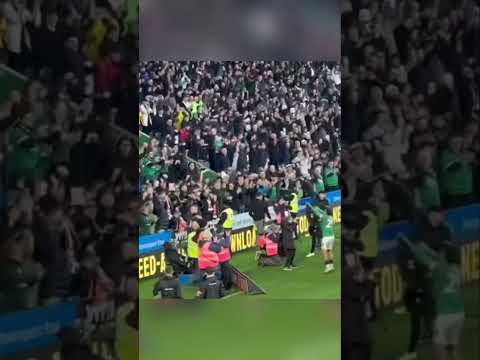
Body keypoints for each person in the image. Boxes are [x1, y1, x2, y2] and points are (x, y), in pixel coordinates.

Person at [399, 236, 465, 360]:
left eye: (441, 251)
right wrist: (424, 246)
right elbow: (434, 256)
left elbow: (422, 258)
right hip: (459, 314)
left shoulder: (438, 268)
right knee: (455, 348)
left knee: (441, 350)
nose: (438, 253)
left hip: (445, 315)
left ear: (444, 255)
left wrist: (412, 246)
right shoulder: (456, 268)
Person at [308, 204, 336, 272]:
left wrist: (312, 207)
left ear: (325, 211)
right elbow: (322, 213)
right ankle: (332, 266)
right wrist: (319, 209)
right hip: (332, 236)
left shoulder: (323, 217)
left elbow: (316, 212)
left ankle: (327, 267)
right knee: (330, 251)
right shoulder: (331, 217)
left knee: (325, 252)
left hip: (326, 237)